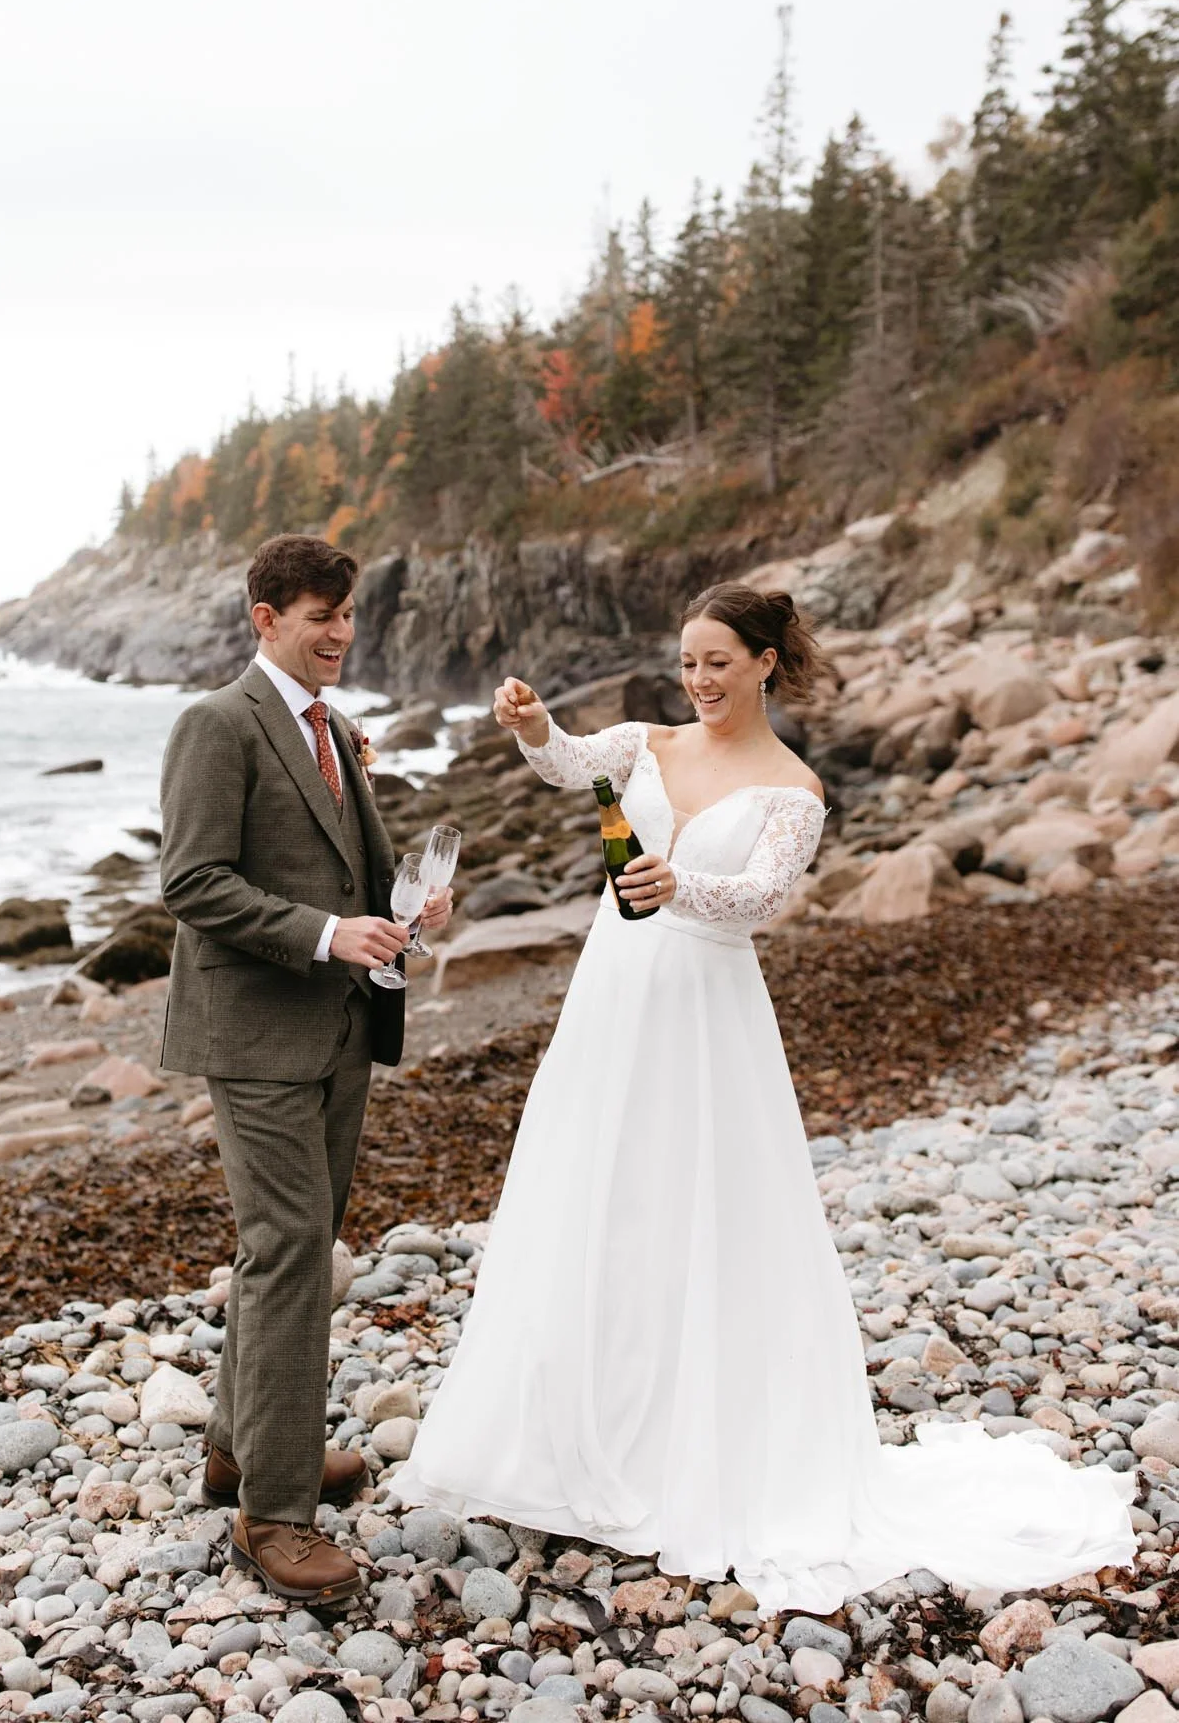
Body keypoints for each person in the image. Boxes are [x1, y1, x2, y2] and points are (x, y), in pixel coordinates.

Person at [390, 583, 1135, 1612]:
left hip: (706, 1005)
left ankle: (695, 1447)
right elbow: (569, 761)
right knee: (596, 1192)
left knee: (703, 1208)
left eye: (717, 662)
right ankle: (569, 1440)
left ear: (764, 664)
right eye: (687, 660)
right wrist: (533, 726)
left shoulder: (793, 787)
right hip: (614, 994)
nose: (698, 680)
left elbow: (762, 899)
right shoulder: (648, 741)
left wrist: (678, 887)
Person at [159, 532, 453, 1605]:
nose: (338, 631)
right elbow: (191, 880)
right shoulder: (216, 723)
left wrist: (403, 910)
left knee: (289, 1242)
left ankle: (240, 1447)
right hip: (255, 1032)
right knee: (290, 1247)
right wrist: (330, 934)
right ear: (263, 618)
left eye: (346, 613)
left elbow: (349, 870)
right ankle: (274, 1515)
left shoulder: (333, 728)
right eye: (318, 613)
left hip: (338, 1028)